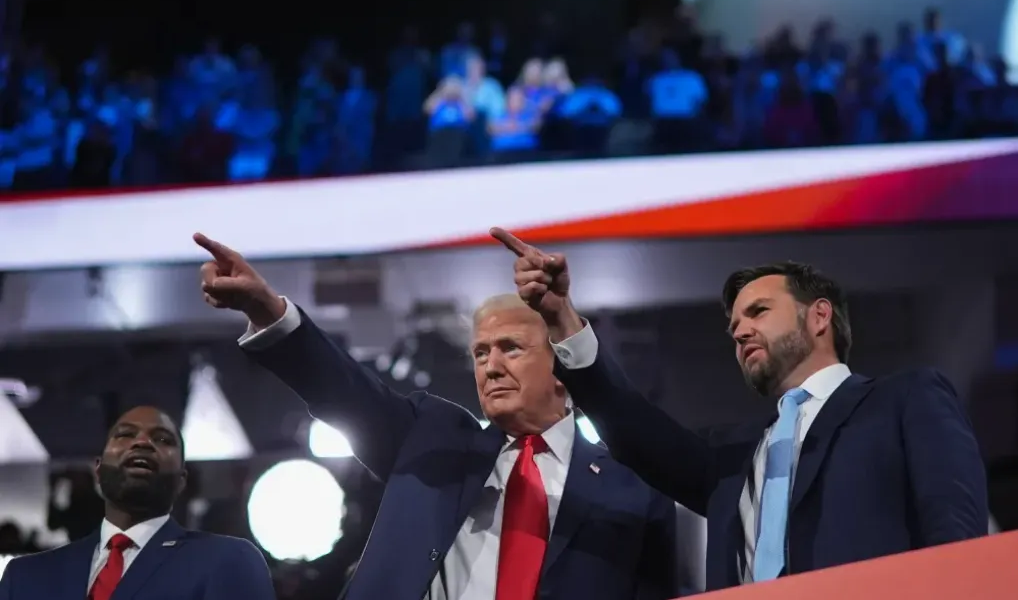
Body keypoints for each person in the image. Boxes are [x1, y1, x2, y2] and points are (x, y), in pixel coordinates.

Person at [489, 227, 989, 591]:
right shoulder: (724, 459)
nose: (740, 330)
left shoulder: (905, 400)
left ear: (819, 317)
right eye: (733, 326)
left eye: (758, 312)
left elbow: (957, 542)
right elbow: (629, 425)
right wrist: (562, 318)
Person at [192, 233, 678, 600]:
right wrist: (269, 311)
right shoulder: (434, 440)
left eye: (511, 348)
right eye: (480, 352)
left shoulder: (632, 485)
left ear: (561, 365)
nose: (490, 365)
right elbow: (343, 391)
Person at [0, 406, 275, 600]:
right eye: (125, 435)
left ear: (181, 480)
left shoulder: (226, 560)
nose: (142, 442)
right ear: (98, 469)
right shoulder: (25, 577)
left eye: (163, 439)